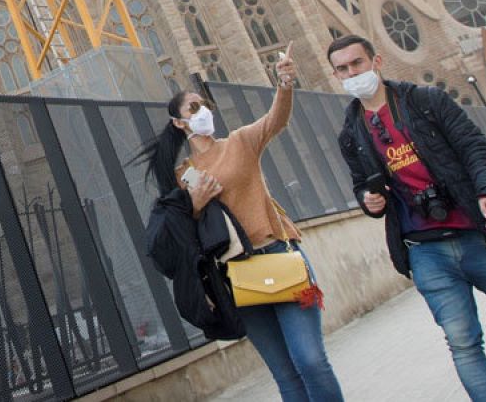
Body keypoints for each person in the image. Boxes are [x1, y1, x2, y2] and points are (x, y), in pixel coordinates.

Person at [328, 34, 486, 402]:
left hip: (476, 234)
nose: (352, 72)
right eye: (343, 69)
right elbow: (361, 186)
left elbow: (475, 146)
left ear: (376, 61)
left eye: (357, 63)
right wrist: (367, 200)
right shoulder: (351, 134)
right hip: (425, 251)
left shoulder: (424, 101)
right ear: (336, 76)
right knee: (463, 345)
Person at [140, 46, 345, 402]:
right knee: (285, 374)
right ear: (179, 123)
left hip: (278, 254)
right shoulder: (181, 177)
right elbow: (181, 237)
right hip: (236, 277)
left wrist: (284, 83)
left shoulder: (239, 142)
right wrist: (195, 206)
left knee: (310, 360)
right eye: (193, 108)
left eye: (204, 105)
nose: (203, 111)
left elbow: (275, 120)